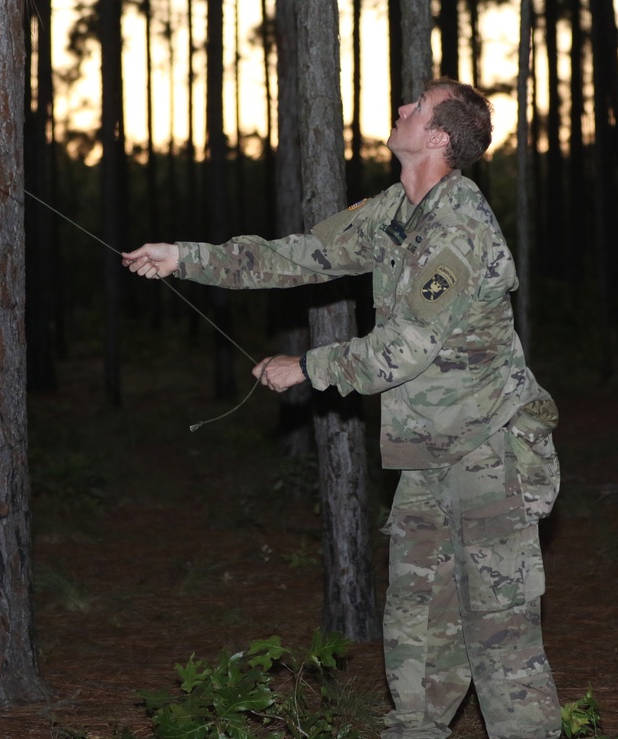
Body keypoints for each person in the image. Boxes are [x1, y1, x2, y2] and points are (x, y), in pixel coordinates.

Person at [122, 77, 562, 739]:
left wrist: (305, 366)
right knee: (415, 629)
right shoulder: (394, 212)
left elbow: (404, 348)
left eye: (417, 107)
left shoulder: (459, 228)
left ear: (439, 138)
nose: (402, 109)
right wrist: (185, 258)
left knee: (500, 635)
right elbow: (300, 256)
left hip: (489, 451)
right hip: (425, 457)